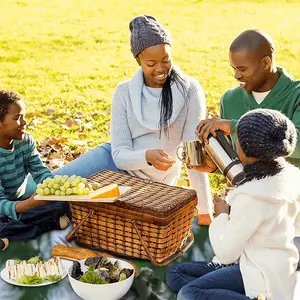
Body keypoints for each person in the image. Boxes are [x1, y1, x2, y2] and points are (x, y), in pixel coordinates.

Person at [52, 15, 212, 225]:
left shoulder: (190, 90)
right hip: (112, 163)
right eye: (151, 63)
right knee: (49, 188)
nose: (161, 69)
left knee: (80, 211)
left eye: (166, 59)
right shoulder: (124, 92)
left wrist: (205, 211)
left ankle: (63, 216)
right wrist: (146, 156)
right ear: (138, 60)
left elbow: (193, 156)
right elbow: (119, 155)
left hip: (150, 185)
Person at [166, 108, 300, 300]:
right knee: (175, 275)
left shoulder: (252, 197)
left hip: (259, 275)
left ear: (244, 150)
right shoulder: (291, 177)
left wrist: (222, 215)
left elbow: (226, 252)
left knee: (188, 293)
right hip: (272, 265)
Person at [195, 29, 300, 173]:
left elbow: (296, 144)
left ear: (265, 63)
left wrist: (235, 127)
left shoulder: (296, 94)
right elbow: (238, 161)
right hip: (249, 191)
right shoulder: (230, 100)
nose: (236, 75)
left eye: (242, 69)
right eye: (234, 69)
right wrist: (216, 167)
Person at [0, 90, 70, 241]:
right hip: (4, 208)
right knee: (3, 224)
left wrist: (53, 189)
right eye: (17, 118)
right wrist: (28, 205)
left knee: (64, 204)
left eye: (24, 116)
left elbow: (40, 172)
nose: (24, 122)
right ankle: (45, 225)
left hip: (20, 202)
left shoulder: (25, 141)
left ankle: (17, 231)